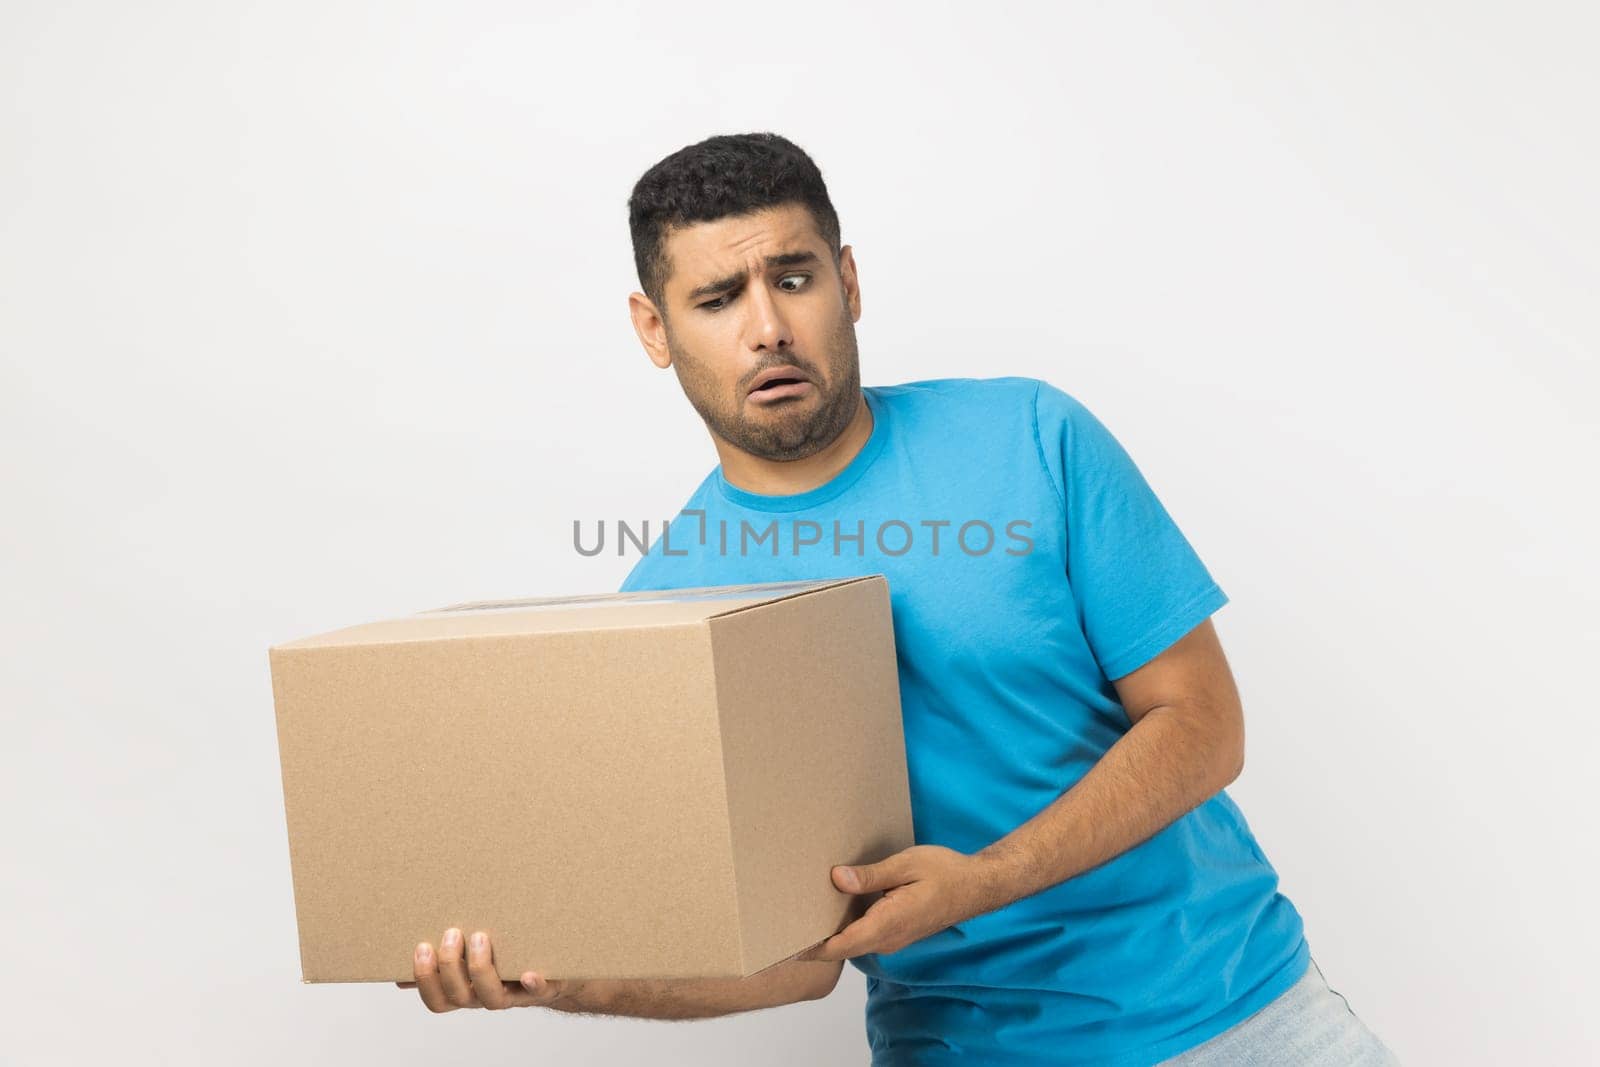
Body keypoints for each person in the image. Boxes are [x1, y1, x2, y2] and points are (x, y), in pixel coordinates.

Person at [399, 132, 1401, 1066]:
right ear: (652, 329)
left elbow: (1203, 721)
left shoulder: (1031, 436)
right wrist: (568, 978)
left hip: (1245, 1014)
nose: (766, 328)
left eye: (792, 278)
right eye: (716, 299)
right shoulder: (663, 612)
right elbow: (796, 956)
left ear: (848, 281)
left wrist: (988, 878)